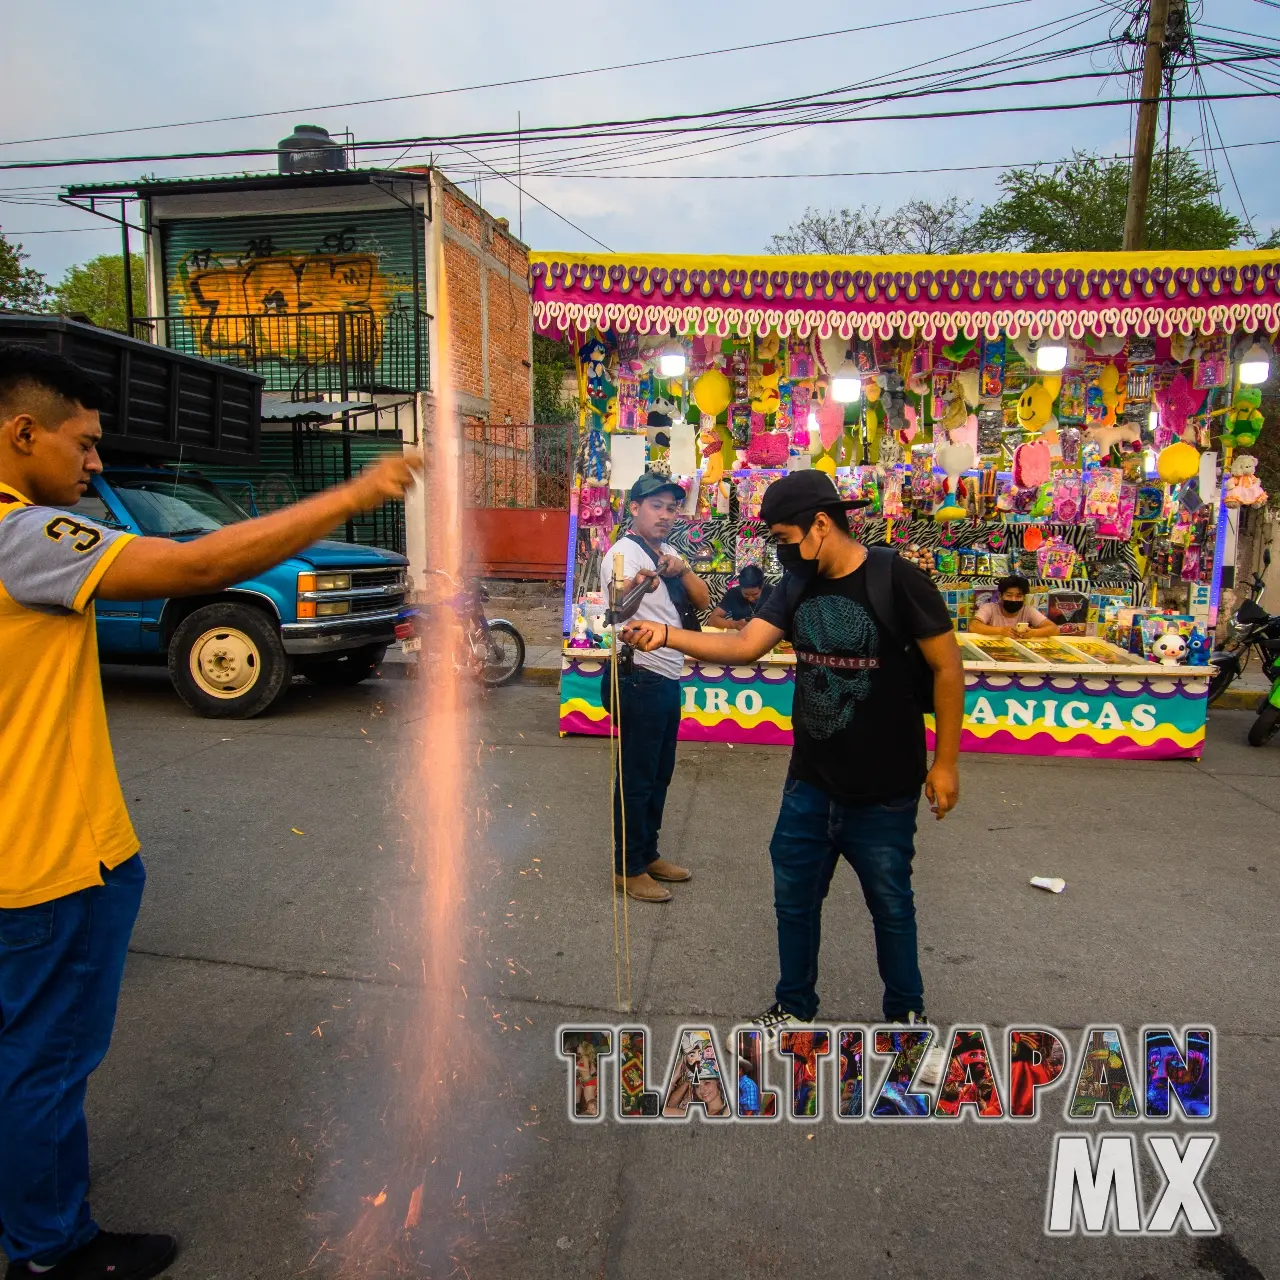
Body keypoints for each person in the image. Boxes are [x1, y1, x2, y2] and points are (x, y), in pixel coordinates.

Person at [0, 344, 420, 1280]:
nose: (95, 463)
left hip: (57, 849)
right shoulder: (19, 535)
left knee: (30, 1057)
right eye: (83, 443)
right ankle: (48, 1248)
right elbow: (198, 565)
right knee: (42, 1062)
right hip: (44, 865)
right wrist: (354, 496)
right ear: (20, 433)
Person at [624, 471, 963, 1085]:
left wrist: (946, 763)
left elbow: (946, 667)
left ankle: (905, 1017)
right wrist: (665, 634)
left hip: (884, 789)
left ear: (821, 525)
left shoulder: (898, 578)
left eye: (785, 535)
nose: (780, 549)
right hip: (809, 783)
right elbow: (746, 645)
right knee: (794, 902)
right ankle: (794, 1008)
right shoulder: (797, 582)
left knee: (891, 904)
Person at [604, 472, 710, 903]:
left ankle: (647, 854)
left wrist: (682, 570)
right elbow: (615, 612)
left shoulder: (668, 552)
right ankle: (626, 868)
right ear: (634, 509)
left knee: (660, 773)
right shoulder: (623, 554)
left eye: (671, 508)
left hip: (668, 674)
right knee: (636, 776)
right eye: (656, 506)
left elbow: (704, 602)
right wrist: (636, 587)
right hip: (640, 675)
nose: (666, 515)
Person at [969, 574, 1059, 638]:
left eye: (1019, 596)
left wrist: (1033, 633)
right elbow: (973, 626)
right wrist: (1000, 631)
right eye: (1009, 595)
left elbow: (1054, 629)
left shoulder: (1028, 610)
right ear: (1000, 596)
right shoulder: (989, 608)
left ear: (1024, 598)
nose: (1013, 599)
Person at [707, 564, 774, 631]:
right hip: (740, 635)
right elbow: (712, 620)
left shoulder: (773, 593)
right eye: (746, 594)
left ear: (762, 586)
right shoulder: (733, 593)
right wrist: (735, 624)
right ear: (741, 587)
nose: (750, 598)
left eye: (755, 594)